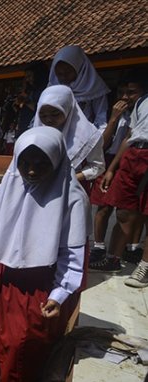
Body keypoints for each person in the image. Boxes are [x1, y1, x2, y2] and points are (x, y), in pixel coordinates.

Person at [0, 126, 89, 382]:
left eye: (41, 164)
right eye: (25, 163)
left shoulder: (72, 198)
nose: (31, 171)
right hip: (1, 275)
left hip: (38, 281)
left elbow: (72, 254)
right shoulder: (9, 186)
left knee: (24, 340)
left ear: (57, 161)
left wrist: (59, 295)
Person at [93, 72, 148, 286]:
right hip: (133, 155)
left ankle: (144, 267)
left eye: (132, 92)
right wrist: (111, 169)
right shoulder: (140, 105)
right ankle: (113, 259)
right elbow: (130, 137)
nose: (126, 97)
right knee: (123, 210)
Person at [90, 81, 137, 264]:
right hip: (108, 159)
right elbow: (103, 142)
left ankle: (121, 251)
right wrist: (113, 118)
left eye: (130, 93)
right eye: (121, 92)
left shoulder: (139, 115)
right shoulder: (112, 114)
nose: (124, 97)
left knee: (125, 211)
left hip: (127, 162)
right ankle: (99, 247)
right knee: (103, 206)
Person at [33, 85, 105, 191]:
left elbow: (97, 167)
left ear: (68, 108)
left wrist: (70, 178)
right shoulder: (35, 133)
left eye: (55, 114)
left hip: (71, 189)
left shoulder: (89, 135)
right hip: (40, 187)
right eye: (43, 115)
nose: (48, 120)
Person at [48, 45, 110, 129]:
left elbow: (101, 120)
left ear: (80, 69)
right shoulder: (51, 89)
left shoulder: (94, 87)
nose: (63, 77)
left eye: (68, 72)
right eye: (59, 74)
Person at [15, 61, 50, 138]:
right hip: (25, 131)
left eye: (30, 76)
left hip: (37, 132)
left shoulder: (46, 92)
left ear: (39, 75)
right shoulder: (30, 91)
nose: (27, 80)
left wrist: (26, 101)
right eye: (26, 77)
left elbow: (42, 111)